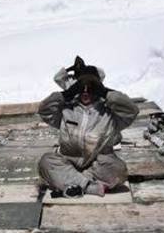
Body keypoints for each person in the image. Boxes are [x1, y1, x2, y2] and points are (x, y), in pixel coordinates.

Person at [37, 61, 139, 197]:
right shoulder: (67, 109)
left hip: (98, 165)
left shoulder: (109, 112)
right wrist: (66, 95)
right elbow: (45, 111)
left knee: (119, 170)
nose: (86, 92)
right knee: (46, 162)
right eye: (81, 88)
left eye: (90, 88)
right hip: (68, 162)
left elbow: (132, 111)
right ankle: (89, 186)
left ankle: (72, 183)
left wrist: (105, 92)